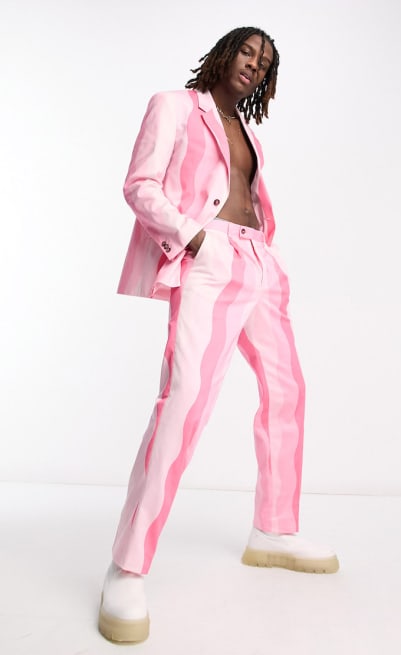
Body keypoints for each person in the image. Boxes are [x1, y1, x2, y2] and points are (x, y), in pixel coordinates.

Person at [98, 26, 339, 644]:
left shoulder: (248, 131)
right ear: (225, 54)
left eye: (265, 62)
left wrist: (267, 255)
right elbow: (140, 185)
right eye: (248, 52)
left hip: (259, 261)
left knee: (288, 392)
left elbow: (248, 196)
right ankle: (127, 566)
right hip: (209, 258)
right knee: (184, 403)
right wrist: (196, 239)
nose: (254, 65)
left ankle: (274, 529)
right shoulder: (175, 106)